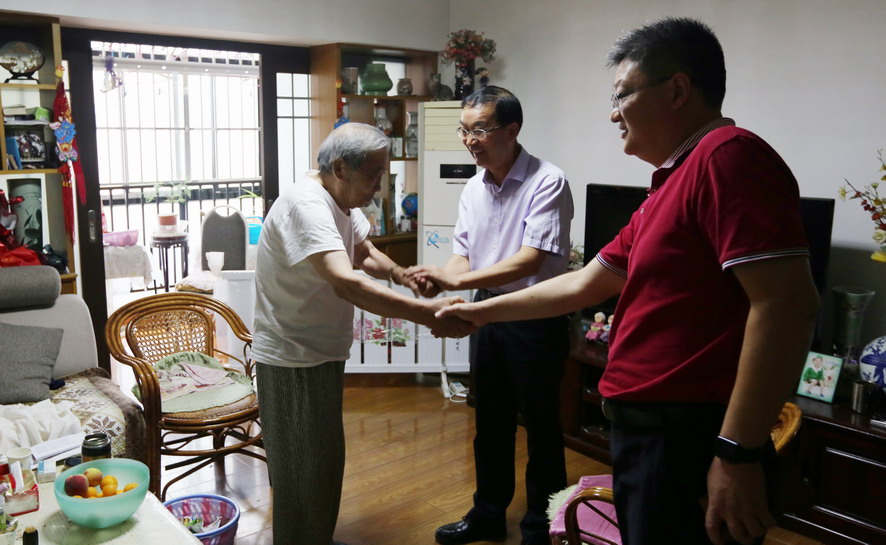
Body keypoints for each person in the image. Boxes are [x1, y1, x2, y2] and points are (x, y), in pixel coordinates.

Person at [436, 17, 819, 545]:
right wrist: (475, 312)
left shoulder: (730, 157)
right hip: (648, 428)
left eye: (621, 95)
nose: (613, 113)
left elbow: (787, 304)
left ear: (677, 90)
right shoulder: (670, 183)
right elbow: (584, 285)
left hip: (684, 429)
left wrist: (736, 451)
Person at [251, 122, 473, 545]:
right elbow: (346, 281)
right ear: (340, 168)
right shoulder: (306, 204)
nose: (379, 186)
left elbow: (363, 252)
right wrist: (427, 313)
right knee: (303, 476)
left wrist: (402, 275)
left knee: (321, 465)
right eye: (373, 175)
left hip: (319, 350)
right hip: (293, 356)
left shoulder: (340, 201)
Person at [405, 85, 574, 545]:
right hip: (486, 311)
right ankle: (487, 514)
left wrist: (453, 285)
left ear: (512, 129)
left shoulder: (548, 181)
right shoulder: (473, 187)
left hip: (535, 316)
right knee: (490, 421)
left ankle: (543, 525)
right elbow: (463, 254)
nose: (469, 141)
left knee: (541, 427)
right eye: (464, 130)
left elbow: (529, 260)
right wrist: (443, 281)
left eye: (479, 130)